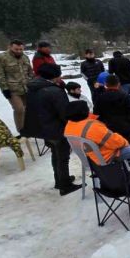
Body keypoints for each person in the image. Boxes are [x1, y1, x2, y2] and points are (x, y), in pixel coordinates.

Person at [20, 64, 81, 194]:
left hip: (41, 126)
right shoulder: (54, 91)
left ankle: (59, 179)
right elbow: (64, 112)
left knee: (56, 154)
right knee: (63, 156)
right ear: (55, 76)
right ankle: (65, 185)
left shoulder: (33, 87)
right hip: (55, 128)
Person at [64, 100, 130, 165]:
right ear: (84, 112)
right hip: (104, 156)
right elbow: (115, 142)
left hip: (89, 156)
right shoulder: (92, 127)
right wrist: (125, 142)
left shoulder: (69, 126)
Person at [0, 40, 34, 131]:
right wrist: (4, 89)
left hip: (26, 87)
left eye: (21, 49)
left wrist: (33, 82)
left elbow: (30, 72)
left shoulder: (25, 57)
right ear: (10, 47)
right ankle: (21, 131)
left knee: (28, 109)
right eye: (16, 49)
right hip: (12, 89)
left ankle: (29, 127)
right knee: (19, 109)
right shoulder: (1, 57)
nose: (19, 51)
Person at [94, 75, 130, 141]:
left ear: (106, 84)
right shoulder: (124, 96)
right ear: (118, 84)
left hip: (107, 130)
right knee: (125, 148)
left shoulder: (100, 97)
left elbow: (96, 114)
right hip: (124, 129)